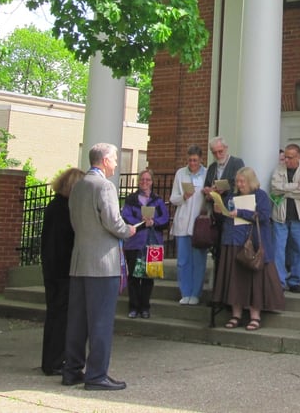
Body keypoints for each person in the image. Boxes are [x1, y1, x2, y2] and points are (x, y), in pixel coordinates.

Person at [63, 142, 136, 391]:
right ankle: (96, 376)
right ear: (104, 160)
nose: (116, 163)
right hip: (103, 265)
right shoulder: (104, 186)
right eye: (115, 159)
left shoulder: (77, 187)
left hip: (79, 261)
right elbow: (113, 223)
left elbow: (75, 222)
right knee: (101, 322)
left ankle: (72, 370)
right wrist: (129, 230)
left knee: (77, 321)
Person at [212, 166, 285, 330]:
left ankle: (255, 316)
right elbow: (226, 216)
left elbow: (264, 216)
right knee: (235, 280)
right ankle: (236, 314)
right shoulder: (232, 195)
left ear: (250, 181)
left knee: (254, 281)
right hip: (233, 241)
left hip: (253, 244)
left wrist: (241, 212)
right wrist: (219, 210)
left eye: (242, 181)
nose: (239, 184)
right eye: (237, 181)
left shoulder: (260, 196)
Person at [40, 166, 84, 376]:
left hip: (51, 267)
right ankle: (56, 362)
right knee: (61, 316)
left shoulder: (54, 206)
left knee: (54, 315)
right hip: (63, 269)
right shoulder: (67, 210)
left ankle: (50, 360)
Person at [120, 169, 170, 319]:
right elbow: (125, 216)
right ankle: (134, 307)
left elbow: (166, 219)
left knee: (149, 277)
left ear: (152, 182)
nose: (144, 182)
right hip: (134, 243)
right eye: (142, 179)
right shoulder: (131, 199)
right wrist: (141, 222)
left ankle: (145, 307)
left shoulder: (158, 200)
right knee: (134, 278)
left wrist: (153, 222)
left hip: (153, 243)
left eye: (148, 180)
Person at [270, 143, 300, 293]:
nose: (286, 161)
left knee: (299, 249)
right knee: (278, 249)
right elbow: (274, 189)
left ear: (298, 157)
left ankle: (296, 280)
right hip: (280, 215)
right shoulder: (279, 169)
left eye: (290, 158)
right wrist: (294, 187)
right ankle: (279, 281)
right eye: (285, 158)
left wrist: (285, 190)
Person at [170, 145, 209, 306]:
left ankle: (195, 293)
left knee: (198, 261)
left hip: (199, 224)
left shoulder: (206, 173)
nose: (192, 163)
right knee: (183, 261)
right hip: (182, 222)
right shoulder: (180, 173)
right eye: (190, 160)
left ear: (200, 159)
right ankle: (185, 292)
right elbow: (173, 198)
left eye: (195, 160)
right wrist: (183, 197)